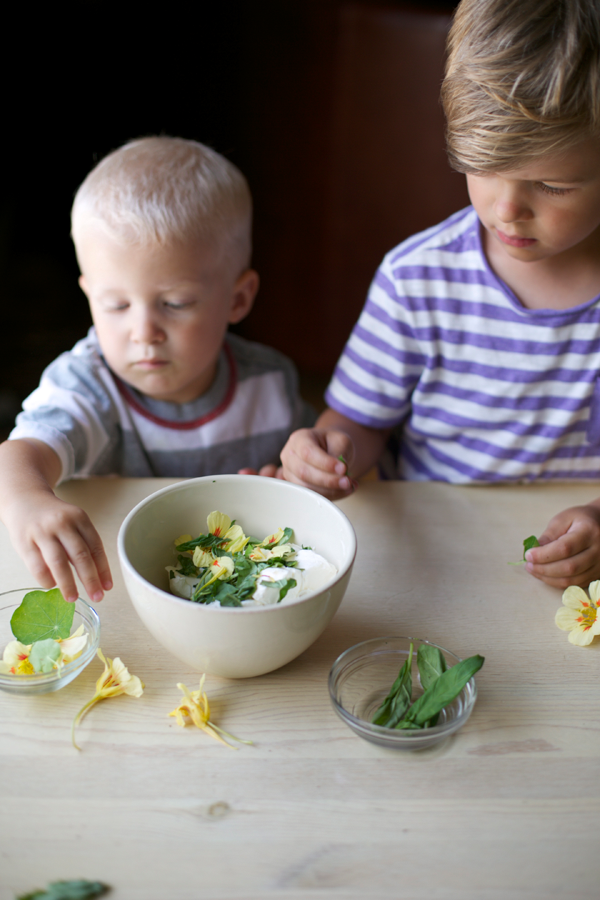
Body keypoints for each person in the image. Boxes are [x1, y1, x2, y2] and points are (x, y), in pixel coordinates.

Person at [278, 0, 600, 589]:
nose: (507, 210)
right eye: (483, 167)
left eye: (552, 185)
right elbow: (358, 421)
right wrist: (326, 455)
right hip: (433, 561)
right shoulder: (417, 279)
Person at [0, 136, 313, 604]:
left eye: (175, 303)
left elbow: (290, 490)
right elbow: (17, 456)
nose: (143, 331)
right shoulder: (89, 384)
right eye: (116, 304)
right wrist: (28, 501)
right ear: (89, 295)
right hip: (120, 593)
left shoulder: (270, 383)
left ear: (238, 298)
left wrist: (291, 478)